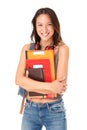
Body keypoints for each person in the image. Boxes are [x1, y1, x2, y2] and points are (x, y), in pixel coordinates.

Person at [15, 7, 69, 130]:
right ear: (35, 27)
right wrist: (50, 86)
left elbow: (59, 88)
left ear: (55, 26)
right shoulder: (27, 48)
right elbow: (18, 80)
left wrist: (29, 84)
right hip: (30, 109)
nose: (44, 29)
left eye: (49, 24)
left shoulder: (62, 49)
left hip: (54, 109)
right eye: (40, 25)